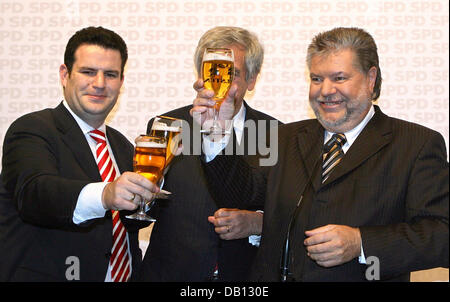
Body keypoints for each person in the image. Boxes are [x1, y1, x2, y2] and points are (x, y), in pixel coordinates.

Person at [193, 27, 449, 281]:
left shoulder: (416, 145)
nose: (325, 90)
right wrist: (217, 132)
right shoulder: (284, 137)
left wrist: (360, 243)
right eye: (316, 79)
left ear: (370, 79)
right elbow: (241, 194)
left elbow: (441, 235)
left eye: (339, 78)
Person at [0, 26, 158, 281]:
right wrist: (106, 194)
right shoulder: (32, 129)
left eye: (110, 74)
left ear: (121, 82)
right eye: (88, 72)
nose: (99, 84)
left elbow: (128, 225)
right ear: (65, 75)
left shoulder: (123, 147)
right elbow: (35, 194)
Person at [139, 26, 280, 281]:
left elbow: (290, 214)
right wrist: (145, 195)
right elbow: (141, 215)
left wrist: (258, 223)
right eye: (212, 73)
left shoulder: (277, 134)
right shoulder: (168, 126)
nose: (219, 85)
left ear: (252, 79)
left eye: (232, 74)